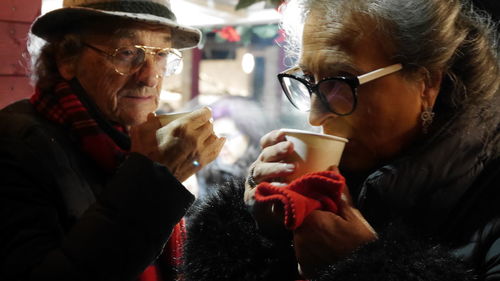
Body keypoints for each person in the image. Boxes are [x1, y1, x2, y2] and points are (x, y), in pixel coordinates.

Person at [182, 0, 500, 280]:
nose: (315, 118)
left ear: (427, 83)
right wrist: (259, 226)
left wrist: (363, 267)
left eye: (341, 82)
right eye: (308, 80)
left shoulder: (488, 194)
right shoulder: (353, 167)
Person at [0, 0, 225, 280]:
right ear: (66, 58)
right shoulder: (14, 143)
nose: (150, 76)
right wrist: (152, 183)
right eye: (128, 52)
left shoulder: (129, 140)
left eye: (162, 54)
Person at [195, 96, 279, 198]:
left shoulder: (264, 175)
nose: (219, 144)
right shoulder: (203, 173)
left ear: (250, 135)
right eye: (212, 137)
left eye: (226, 137)